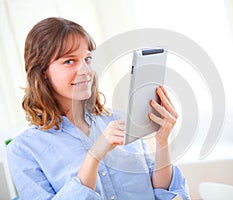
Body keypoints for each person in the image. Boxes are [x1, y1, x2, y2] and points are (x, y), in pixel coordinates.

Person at [7, 17, 190, 200]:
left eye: (87, 59)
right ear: (42, 72)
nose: (85, 70)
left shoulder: (119, 121)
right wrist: (94, 155)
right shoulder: (24, 149)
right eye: (69, 61)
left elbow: (160, 193)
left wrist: (162, 141)